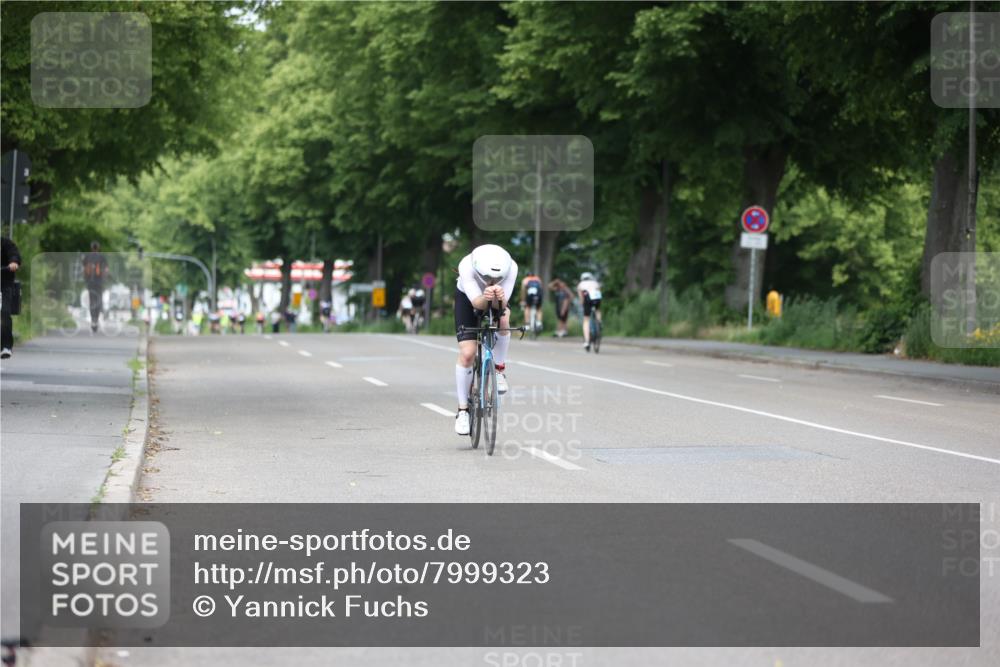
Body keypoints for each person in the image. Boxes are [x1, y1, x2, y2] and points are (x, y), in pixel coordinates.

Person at [453, 244, 517, 436]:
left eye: (497, 278)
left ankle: (499, 369)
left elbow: (501, 306)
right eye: (488, 277)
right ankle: (463, 411)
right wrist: (486, 295)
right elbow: (477, 303)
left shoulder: (512, 267)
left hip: (496, 299)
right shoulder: (466, 265)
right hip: (468, 298)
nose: (492, 281)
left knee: (503, 320)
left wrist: (499, 298)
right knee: (468, 353)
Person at [1, 236, 22, 359]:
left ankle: (6, 346)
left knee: (4, 312)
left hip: (5, 283)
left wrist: (13, 262)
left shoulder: (5, 243)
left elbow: (14, 254)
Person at [81, 241, 109, 333]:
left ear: (91, 247)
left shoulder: (87, 257)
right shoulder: (102, 257)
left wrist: (86, 280)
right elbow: (106, 270)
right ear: (98, 248)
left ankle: (93, 320)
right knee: (98, 300)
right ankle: (96, 319)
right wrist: (104, 279)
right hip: (99, 283)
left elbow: (84, 270)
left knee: (92, 301)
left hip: (90, 283)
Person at [577, 271, 603, 352]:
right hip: (596, 296)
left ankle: (587, 341)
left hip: (587, 297)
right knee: (598, 310)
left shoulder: (580, 284)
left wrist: (583, 305)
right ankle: (599, 322)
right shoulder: (595, 283)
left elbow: (581, 298)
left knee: (586, 320)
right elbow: (600, 293)